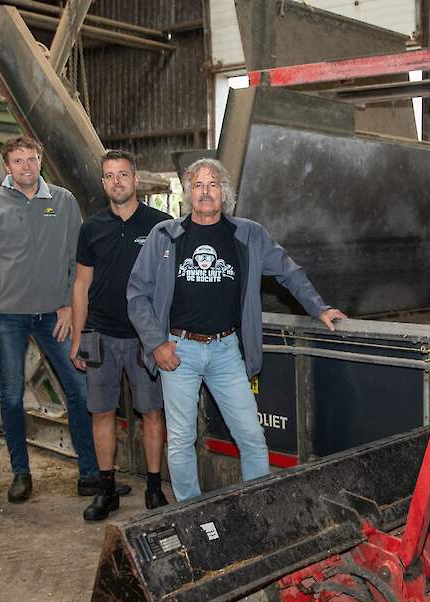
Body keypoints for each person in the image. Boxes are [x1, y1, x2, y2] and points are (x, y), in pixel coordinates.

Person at [127, 158, 347, 501]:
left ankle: (257, 508)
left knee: (252, 438)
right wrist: (156, 343)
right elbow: (137, 293)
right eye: (197, 185)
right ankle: (191, 512)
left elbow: (289, 271)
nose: (205, 192)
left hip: (226, 350)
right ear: (187, 193)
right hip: (177, 350)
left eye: (212, 184)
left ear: (225, 193)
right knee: (182, 439)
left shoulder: (248, 234)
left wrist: (318, 307)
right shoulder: (165, 236)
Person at [0, 136, 124, 503]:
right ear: (7, 166)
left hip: (55, 315)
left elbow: (77, 259)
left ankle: (89, 474)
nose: (26, 167)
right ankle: (21, 472)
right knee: (11, 395)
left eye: (32, 159)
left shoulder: (62, 201)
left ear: (41, 161)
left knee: (80, 390)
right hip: (8, 317)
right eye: (18, 161)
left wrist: (70, 305)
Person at [70, 150, 171, 521]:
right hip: (100, 333)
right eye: (109, 176)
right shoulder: (91, 228)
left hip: (146, 339)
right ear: (103, 183)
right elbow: (81, 284)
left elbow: (170, 285)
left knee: (152, 412)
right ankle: (107, 490)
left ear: (136, 179)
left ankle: (154, 489)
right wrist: (79, 336)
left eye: (123, 174)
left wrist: (164, 336)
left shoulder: (161, 226)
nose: (117, 181)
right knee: (101, 413)